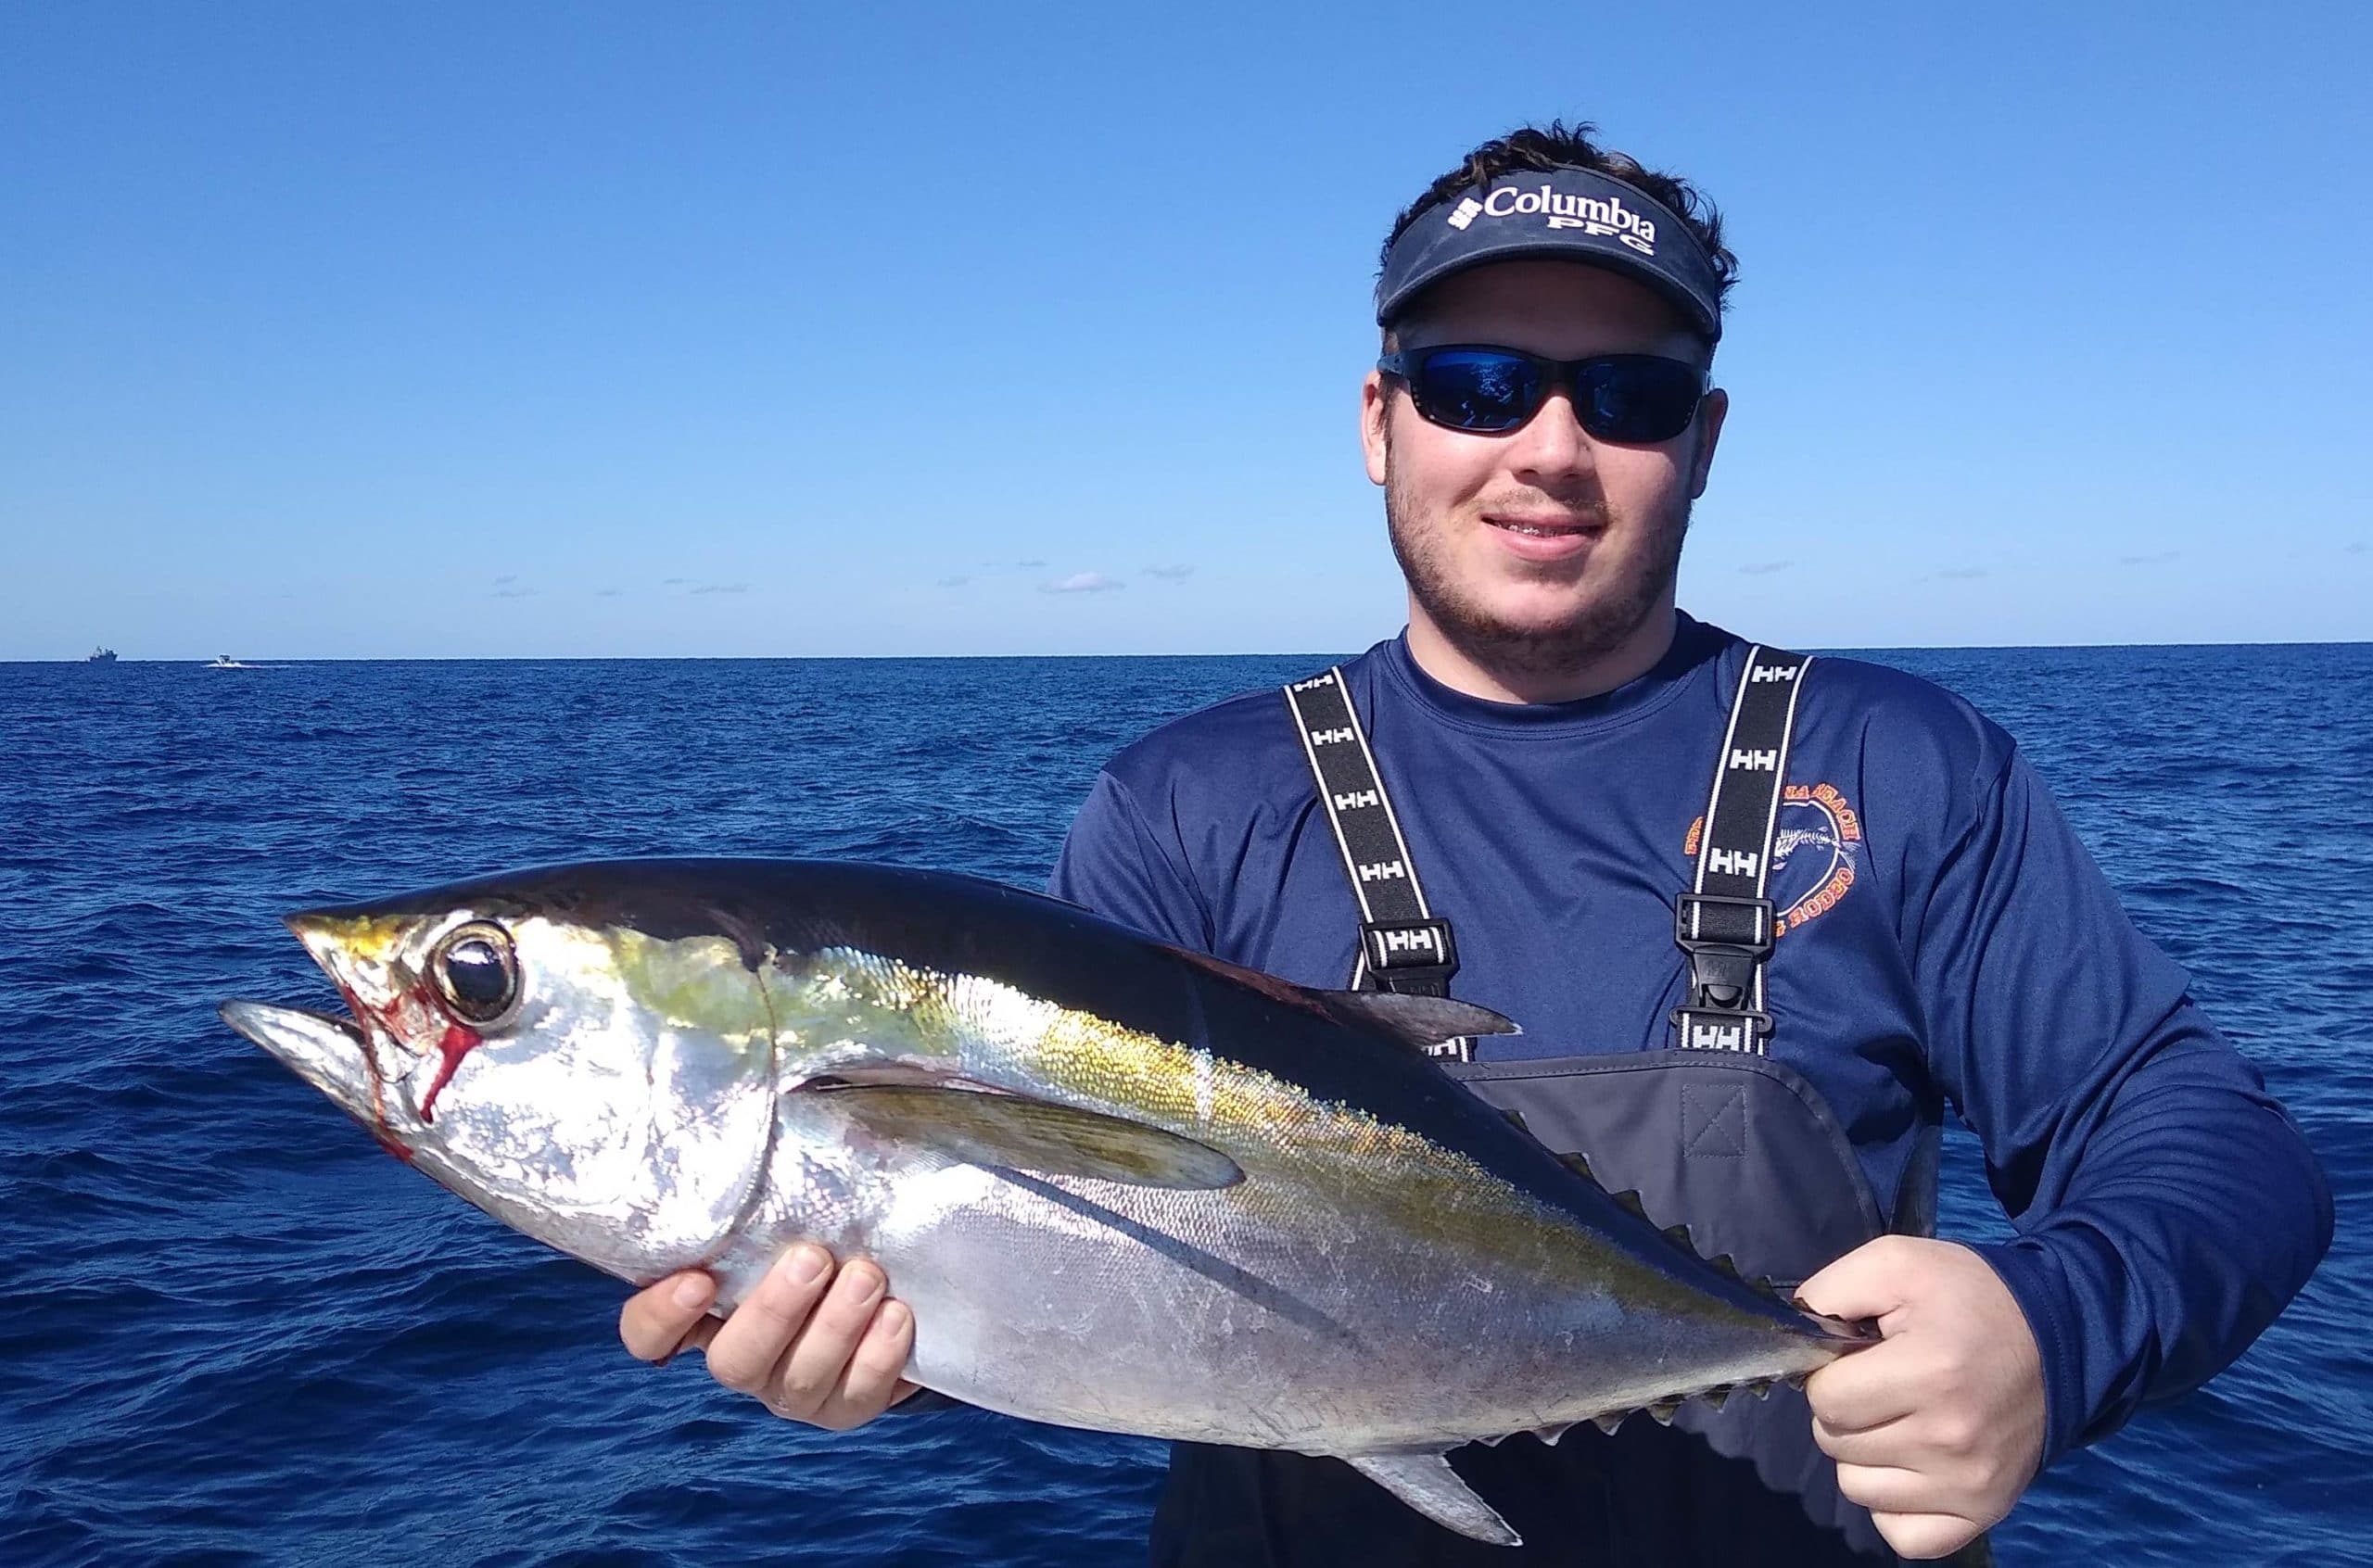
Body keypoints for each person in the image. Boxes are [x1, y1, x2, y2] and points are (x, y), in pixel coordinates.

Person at [616, 123, 2331, 1563]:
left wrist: (2053, 1329)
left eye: (1630, 393)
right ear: (1380, 423)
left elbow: (2215, 1149)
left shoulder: (1901, 765)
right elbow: (1045, 1256)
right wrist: (878, 1355)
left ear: (1704, 445)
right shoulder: (1189, 809)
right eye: (1479, 381)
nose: (1551, 449)